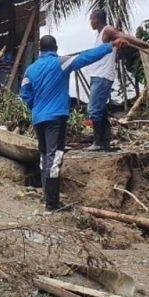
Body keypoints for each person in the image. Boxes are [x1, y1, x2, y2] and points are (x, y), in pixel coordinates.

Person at [21, 34, 126, 212]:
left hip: (38, 119)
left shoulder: (30, 70)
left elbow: (25, 93)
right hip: (56, 118)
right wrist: (110, 46)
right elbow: (87, 57)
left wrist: (36, 107)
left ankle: (47, 196)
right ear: (55, 48)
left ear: (40, 49)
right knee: (54, 158)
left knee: (45, 157)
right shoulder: (61, 62)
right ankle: (52, 204)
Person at [81, 9, 149, 151]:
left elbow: (124, 36)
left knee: (94, 110)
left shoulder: (107, 30)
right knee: (100, 110)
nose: (90, 23)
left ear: (97, 19)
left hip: (102, 76)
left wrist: (147, 45)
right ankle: (104, 143)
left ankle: (98, 143)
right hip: (97, 76)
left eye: (91, 19)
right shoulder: (99, 35)